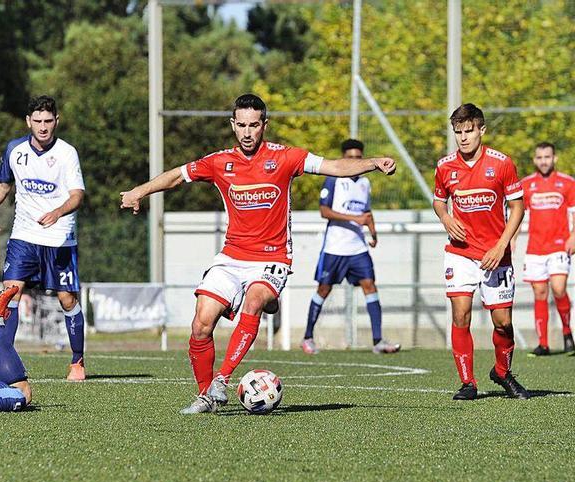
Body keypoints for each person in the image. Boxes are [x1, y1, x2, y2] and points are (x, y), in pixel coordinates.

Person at [119, 94, 396, 414]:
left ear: (264, 125)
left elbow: (334, 166)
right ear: (233, 125)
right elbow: (176, 176)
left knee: (253, 301)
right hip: (232, 256)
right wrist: (139, 191)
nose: (248, 132)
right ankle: (204, 396)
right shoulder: (219, 162)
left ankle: (221, 380)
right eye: (242, 125)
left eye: (254, 125)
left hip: (272, 258)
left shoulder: (285, 157)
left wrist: (373, 162)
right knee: (200, 325)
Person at [0, 95, 87, 381]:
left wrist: (57, 212)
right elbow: (3, 185)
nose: (43, 127)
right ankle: (3, 357)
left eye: (48, 121)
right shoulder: (14, 149)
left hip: (59, 237)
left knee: (66, 299)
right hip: (24, 234)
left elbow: (77, 195)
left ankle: (77, 361)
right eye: (37, 121)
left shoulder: (66, 153)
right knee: (10, 292)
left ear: (56, 121)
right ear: (28, 121)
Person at [433, 103, 529, 400]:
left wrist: (501, 245)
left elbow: (517, 207)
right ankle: (468, 383)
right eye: (458, 132)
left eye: (469, 131)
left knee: (503, 323)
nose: (463, 138)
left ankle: (502, 371)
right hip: (460, 253)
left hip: (495, 254)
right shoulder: (444, 166)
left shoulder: (501, 163)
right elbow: (439, 201)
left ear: (481, 130)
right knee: (461, 315)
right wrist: (447, 218)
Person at [302, 139, 400, 355]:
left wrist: (373, 233)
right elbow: (324, 211)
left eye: (358, 157)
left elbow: (366, 213)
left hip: (358, 248)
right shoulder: (333, 180)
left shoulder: (365, 183)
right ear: (343, 158)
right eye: (350, 157)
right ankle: (307, 337)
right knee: (324, 289)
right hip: (335, 247)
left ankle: (378, 341)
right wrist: (354, 219)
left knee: (370, 286)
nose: (355, 161)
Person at [514, 142, 575, 356]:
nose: (544, 161)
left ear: (554, 158)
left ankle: (568, 333)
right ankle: (543, 343)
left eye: (547, 157)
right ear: (534, 160)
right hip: (535, 248)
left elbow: (574, 212)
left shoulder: (567, 183)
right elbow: (517, 214)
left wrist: (574, 236)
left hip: (559, 245)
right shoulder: (527, 184)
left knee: (558, 288)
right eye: (539, 157)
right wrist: (511, 238)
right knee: (540, 292)